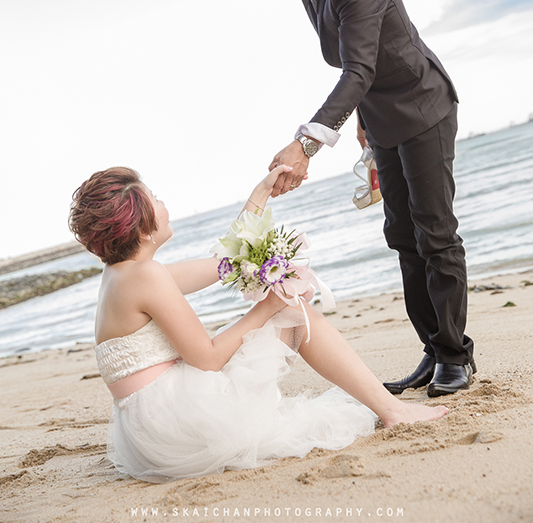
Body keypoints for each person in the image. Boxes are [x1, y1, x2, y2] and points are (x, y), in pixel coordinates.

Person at [222, 0, 475, 397]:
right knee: (403, 237)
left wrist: (305, 144)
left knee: (436, 234)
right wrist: (362, 117)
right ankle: (434, 348)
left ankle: (456, 356)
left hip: (423, 108)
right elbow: (357, 62)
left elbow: (358, 68)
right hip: (381, 119)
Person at [69, 165, 448, 483]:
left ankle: (387, 407)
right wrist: (266, 308)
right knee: (297, 316)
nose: (164, 202)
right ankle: (393, 411)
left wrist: (260, 194)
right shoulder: (146, 276)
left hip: (150, 423)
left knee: (287, 312)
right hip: (177, 423)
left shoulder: (125, 274)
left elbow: (227, 261)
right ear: (143, 225)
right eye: (156, 198)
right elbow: (207, 359)